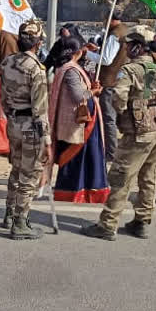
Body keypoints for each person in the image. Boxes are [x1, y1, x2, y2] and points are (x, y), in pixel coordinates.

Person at [82, 26, 156, 241]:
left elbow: (118, 99)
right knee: (149, 178)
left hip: (137, 134)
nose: (124, 48)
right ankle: (142, 222)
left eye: (127, 45)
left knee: (120, 178)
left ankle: (107, 225)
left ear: (136, 47)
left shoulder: (129, 71)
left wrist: (124, 116)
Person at [0, 19, 50, 240]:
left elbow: (3, 99)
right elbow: (40, 109)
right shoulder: (36, 69)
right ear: (38, 43)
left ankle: (9, 212)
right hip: (31, 126)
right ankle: (21, 222)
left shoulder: (7, 63)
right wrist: (47, 140)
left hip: (13, 123)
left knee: (16, 168)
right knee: (29, 174)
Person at [48, 37, 109, 203]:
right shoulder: (71, 70)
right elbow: (78, 96)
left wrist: (91, 87)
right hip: (78, 124)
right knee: (77, 159)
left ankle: (86, 191)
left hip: (81, 122)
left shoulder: (68, 68)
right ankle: (74, 193)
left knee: (85, 159)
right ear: (76, 52)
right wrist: (93, 92)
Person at [96, 12, 129, 162]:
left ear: (108, 19)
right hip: (118, 80)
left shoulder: (115, 35)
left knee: (109, 119)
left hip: (109, 82)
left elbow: (106, 59)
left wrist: (87, 53)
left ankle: (111, 153)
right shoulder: (124, 30)